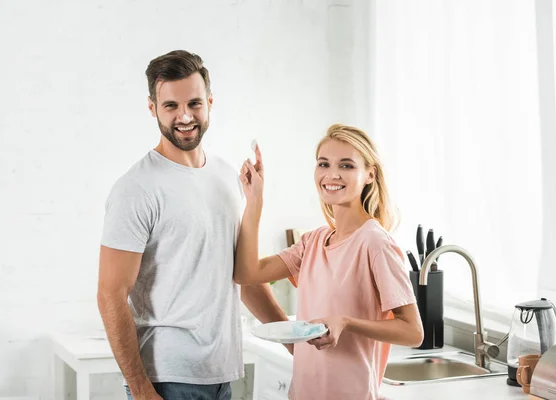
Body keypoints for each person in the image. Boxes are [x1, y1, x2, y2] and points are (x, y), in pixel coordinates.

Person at [97, 50, 289, 400]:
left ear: (210, 103)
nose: (184, 116)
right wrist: (141, 390)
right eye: (171, 106)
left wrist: (295, 342)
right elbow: (110, 295)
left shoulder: (226, 176)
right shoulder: (136, 189)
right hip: (167, 379)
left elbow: (243, 278)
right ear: (153, 108)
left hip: (221, 374)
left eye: (194, 103)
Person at [234, 123, 424, 399]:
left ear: (370, 174)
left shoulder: (375, 242)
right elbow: (247, 274)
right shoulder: (314, 241)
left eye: (347, 166)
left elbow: (413, 332)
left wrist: (347, 322)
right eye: (324, 164)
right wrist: (255, 200)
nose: (332, 174)